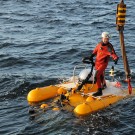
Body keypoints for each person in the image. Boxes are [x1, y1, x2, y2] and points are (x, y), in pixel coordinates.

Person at [83, 32, 119, 96]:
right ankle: (104, 85)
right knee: (101, 75)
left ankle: (99, 91)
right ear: (102, 38)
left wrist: (115, 58)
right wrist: (91, 56)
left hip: (103, 64)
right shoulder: (99, 44)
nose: (106, 40)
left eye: (107, 39)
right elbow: (95, 51)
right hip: (97, 62)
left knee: (96, 76)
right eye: (105, 39)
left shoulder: (109, 47)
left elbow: (113, 53)